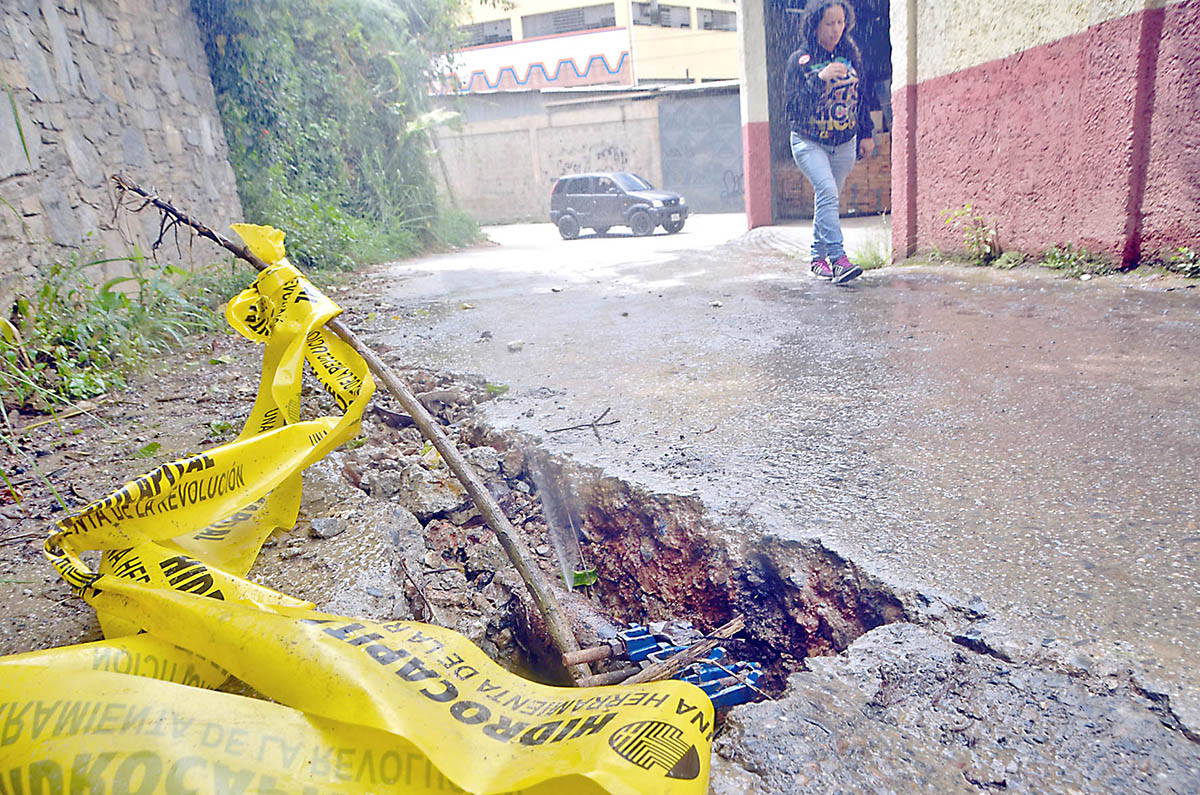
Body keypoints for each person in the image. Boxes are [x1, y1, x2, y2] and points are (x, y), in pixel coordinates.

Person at [784, 0, 875, 284]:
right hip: (809, 141)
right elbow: (792, 108)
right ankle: (838, 260)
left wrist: (867, 133)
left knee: (828, 198)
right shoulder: (801, 60)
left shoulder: (850, 53)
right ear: (815, 24)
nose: (836, 29)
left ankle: (816, 257)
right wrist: (819, 80)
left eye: (840, 22)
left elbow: (863, 95)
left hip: (845, 141)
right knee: (827, 191)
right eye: (829, 23)